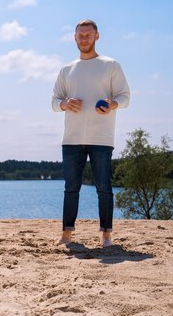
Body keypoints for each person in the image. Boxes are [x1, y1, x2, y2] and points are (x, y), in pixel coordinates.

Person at [51, 19, 130, 247]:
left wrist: (112, 103)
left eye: (88, 34)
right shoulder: (67, 69)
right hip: (72, 139)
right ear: (74, 38)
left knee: (104, 188)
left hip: (102, 138)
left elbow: (125, 96)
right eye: (80, 35)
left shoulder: (110, 65)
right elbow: (54, 102)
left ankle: (106, 234)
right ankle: (66, 234)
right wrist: (65, 103)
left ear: (97, 36)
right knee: (71, 188)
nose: (84, 38)